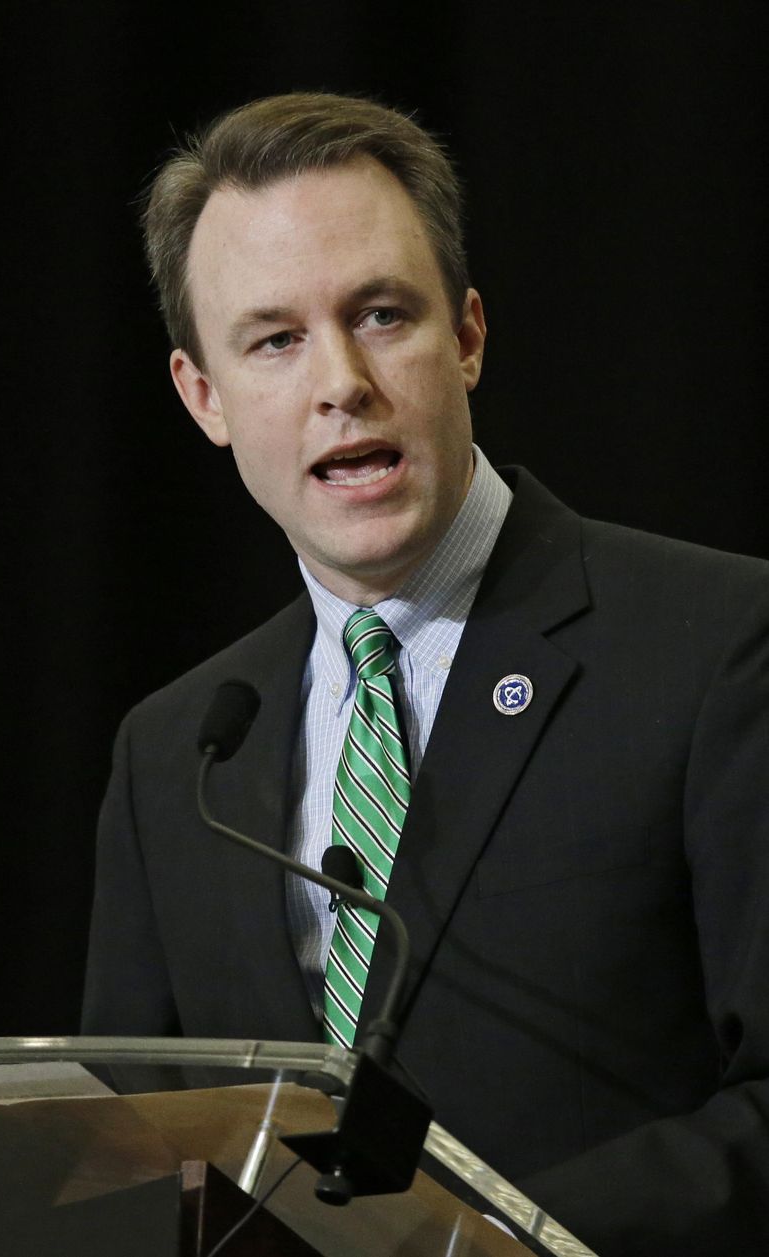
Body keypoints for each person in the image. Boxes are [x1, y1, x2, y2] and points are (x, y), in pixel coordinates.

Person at [82, 92, 769, 1255]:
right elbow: (126, 1166)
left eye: (381, 314)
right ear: (205, 398)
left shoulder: (717, 645)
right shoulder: (179, 750)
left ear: (466, 336)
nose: (340, 380)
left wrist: (483, 1243)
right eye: (274, 339)